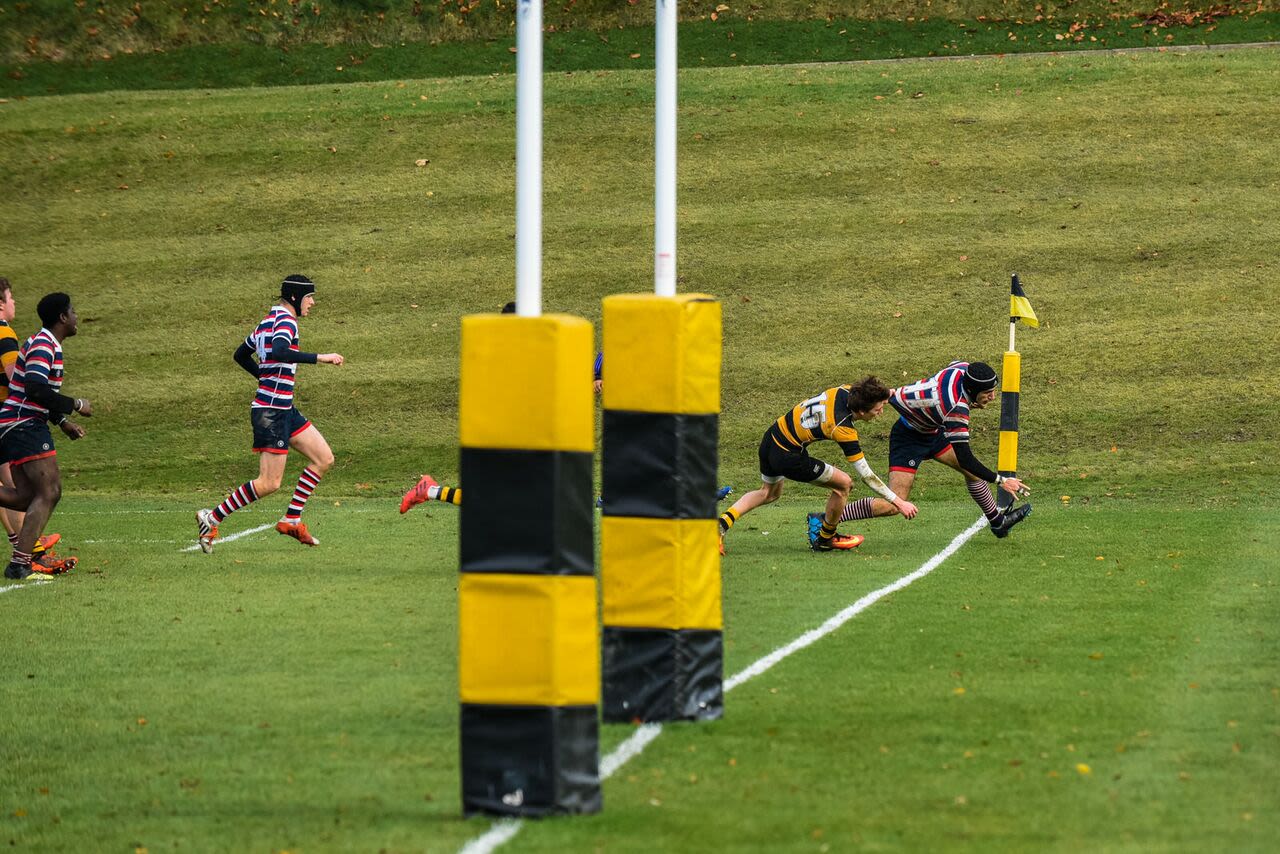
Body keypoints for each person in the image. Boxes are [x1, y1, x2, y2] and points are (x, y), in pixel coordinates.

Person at [195, 275, 344, 553]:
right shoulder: (286, 322)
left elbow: (240, 355)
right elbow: (279, 350)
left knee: (323, 458)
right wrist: (320, 357)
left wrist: (263, 377)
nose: (313, 302)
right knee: (269, 483)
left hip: (284, 407)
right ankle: (211, 517)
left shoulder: (266, 322)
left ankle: (291, 519)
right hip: (271, 413)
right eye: (310, 297)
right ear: (296, 298)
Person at [717, 376, 918, 554]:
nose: (880, 412)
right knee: (844, 485)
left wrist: (888, 394)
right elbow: (867, 476)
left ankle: (722, 524)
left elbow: (871, 393)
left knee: (768, 493)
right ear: (861, 411)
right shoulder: (843, 428)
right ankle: (826, 538)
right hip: (788, 455)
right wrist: (899, 503)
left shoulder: (845, 390)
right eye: (877, 409)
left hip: (770, 438)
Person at [840, 360, 1030, 537]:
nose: (993, 397)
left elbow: (952, 366)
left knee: (973, 474)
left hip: (934, 430)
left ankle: (998, 522)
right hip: (908, 438)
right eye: (987, 392)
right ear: (972, 389)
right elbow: (966, 459)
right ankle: (830, 518)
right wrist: (1001, 480)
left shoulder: (961, 368)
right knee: (894, 505)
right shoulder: (955, 409)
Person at [0, 293, 91, 580]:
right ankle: (21, 562)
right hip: (24, 423)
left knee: (27, 496)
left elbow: (40, 394)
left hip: (18, 422)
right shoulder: (43, 344)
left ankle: (19, 564)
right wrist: (75, 405)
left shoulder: (48, 343)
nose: (77, 317)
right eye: (73, 312)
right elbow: (35, 389)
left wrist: (61, 421)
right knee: (50, 491)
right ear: (62, 317)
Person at [0, 278, 62, 565]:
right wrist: (68, 407)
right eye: (11, 298)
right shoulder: (3, 332)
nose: (14, 303)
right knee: (36, 489)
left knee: (16, 488)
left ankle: (24, 548)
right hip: (14, 416)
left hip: (8, 416)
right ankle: (29, 548)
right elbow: (20, 380)